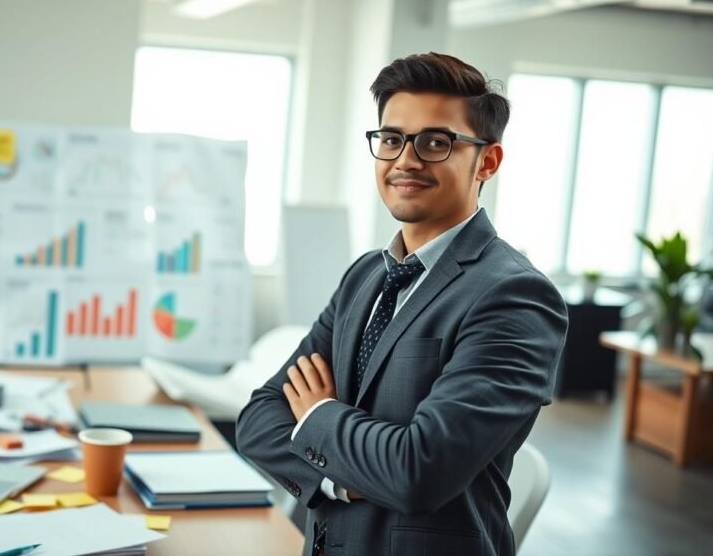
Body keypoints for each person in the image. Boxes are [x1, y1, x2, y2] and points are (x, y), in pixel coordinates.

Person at [235, 52, 568, 556]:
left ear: (488, 161)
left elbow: (418, 472)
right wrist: (344, 481)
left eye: (436, 142)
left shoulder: (514, 296)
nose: (405, 160)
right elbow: (260, 419)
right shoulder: (366, 277)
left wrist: (320, 416)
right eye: (391, 139)